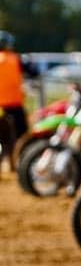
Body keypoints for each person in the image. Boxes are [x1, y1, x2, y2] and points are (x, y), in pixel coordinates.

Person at [0, 30, 27, 169]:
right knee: (21, 134)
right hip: (15, 104)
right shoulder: (15, 58)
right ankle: (21, 160)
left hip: (0, 107)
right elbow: (32, 71)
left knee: (3, 137)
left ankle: (6, 160)